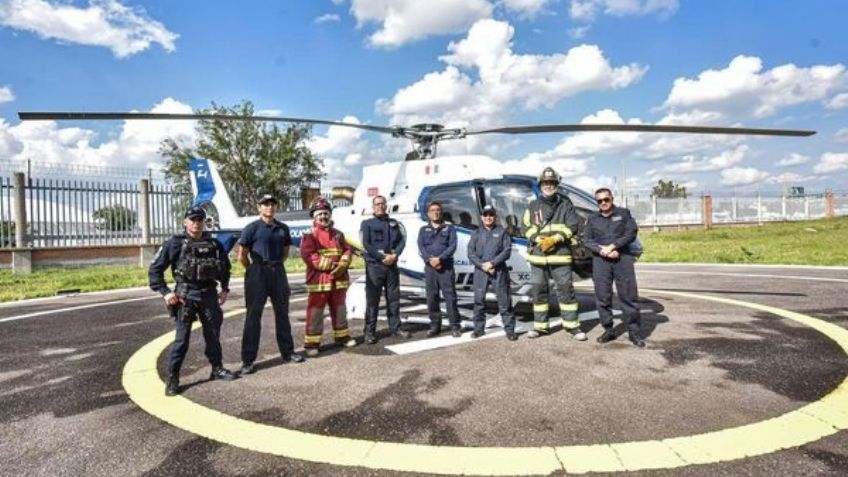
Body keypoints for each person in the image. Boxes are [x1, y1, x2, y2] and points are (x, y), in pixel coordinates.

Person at [148, 206, 237, 396]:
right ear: (185, 222)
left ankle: (217, 368)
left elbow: (224, 269)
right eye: (193, 219)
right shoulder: (174, 244)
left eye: (200, 220)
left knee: (213, 335)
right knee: (182, 340)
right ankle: (173, 378)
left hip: (209, 295)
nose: (197, 223)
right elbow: (154, 271)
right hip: (185, 297)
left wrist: (225, 289)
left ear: (204, 222)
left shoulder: (214, 244)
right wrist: (165, 292)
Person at [237, 193, 304, 375]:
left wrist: (275, 265)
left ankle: (288, 352)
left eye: (272, 204)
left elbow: (285, 251)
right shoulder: (251, 228)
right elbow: (242, 255)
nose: (269, 207)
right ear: (259, 208)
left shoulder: (283, 228)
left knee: (282, 313)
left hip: (278, 272)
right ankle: (248, 360)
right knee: (253, 316)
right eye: (265, 204)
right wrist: (252, 269)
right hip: (257, 272)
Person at [522, 167, 585, 341]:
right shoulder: (533, 206)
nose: (548, 186)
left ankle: (572, 327)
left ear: (556, 185)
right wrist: (537, 239)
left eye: (551, 183)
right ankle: (540, 327)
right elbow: (525, 227)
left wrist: (555, 239)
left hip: (560, 255)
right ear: (540, 185)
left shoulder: (566, 205)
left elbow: (572, 226)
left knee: (566, 291)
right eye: (545, 183)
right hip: (538, 256)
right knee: (538, 292)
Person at [582, 188, 645, 348]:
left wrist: (613, 246)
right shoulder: (593, 218)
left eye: (606, 199)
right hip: (600, 260)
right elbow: (587, 240)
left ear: (612, 198)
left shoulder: (623, 214)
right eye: (600, 201)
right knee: (602, 296)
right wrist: (602, 250)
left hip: (622, 258)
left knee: (628, 296)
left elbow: (631, 233)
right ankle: (608, 329)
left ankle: (634, 332)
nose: (603, 203)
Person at [300, 197, 357, 356]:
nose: (323, 217)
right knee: (316, 311)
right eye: (320, 214)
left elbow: (347, 250)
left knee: (340, 309)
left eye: (326, 213)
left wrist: (344, 263)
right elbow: (309, 255)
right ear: (314, 217)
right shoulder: (309, 235)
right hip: (320, 281)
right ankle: (312, 343)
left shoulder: (339, 234)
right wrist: (334, 267)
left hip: (339, 280)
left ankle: (342, 337)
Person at [361, 195, 411, 344]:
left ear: (386, 205)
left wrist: (395, 254)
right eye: (377, 204)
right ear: (373, 207)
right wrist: (381, 257)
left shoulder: (394, 223)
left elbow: (402, 240)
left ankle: (395, 328)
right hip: (375, 267)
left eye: (383, 204)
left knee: (394, 299)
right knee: (372, 301)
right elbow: (366, 244)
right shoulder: (367, 223)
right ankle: (369, 332)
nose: (380, 206)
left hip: (392, 266)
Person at [467, 205, 517, 341]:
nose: (488, 217)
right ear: (482, 217)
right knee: (479, 302)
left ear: (495, 216)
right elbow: (470, 253)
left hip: (498, 271)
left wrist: (492, 263)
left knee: (504, 302)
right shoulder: (476, 233)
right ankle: (478, 329)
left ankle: (510, 330)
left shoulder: (502, 232)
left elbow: (506, 251)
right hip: (481, 271)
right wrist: (483, 265)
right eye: (485, 215)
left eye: (491, 215)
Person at [417, 201, 461, 338]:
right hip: (430, 269)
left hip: (446, 268)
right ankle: (435, 326)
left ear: (441, 212)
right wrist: (430, 260)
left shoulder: (449, 228)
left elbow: (452, 246)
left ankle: (455, 326)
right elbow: (421, 247)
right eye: (432, 210)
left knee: (450, 298)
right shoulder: (423, 230)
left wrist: (440, 259)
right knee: (432, 297)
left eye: (438, 210)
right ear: (428, 213)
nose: (435, 212)